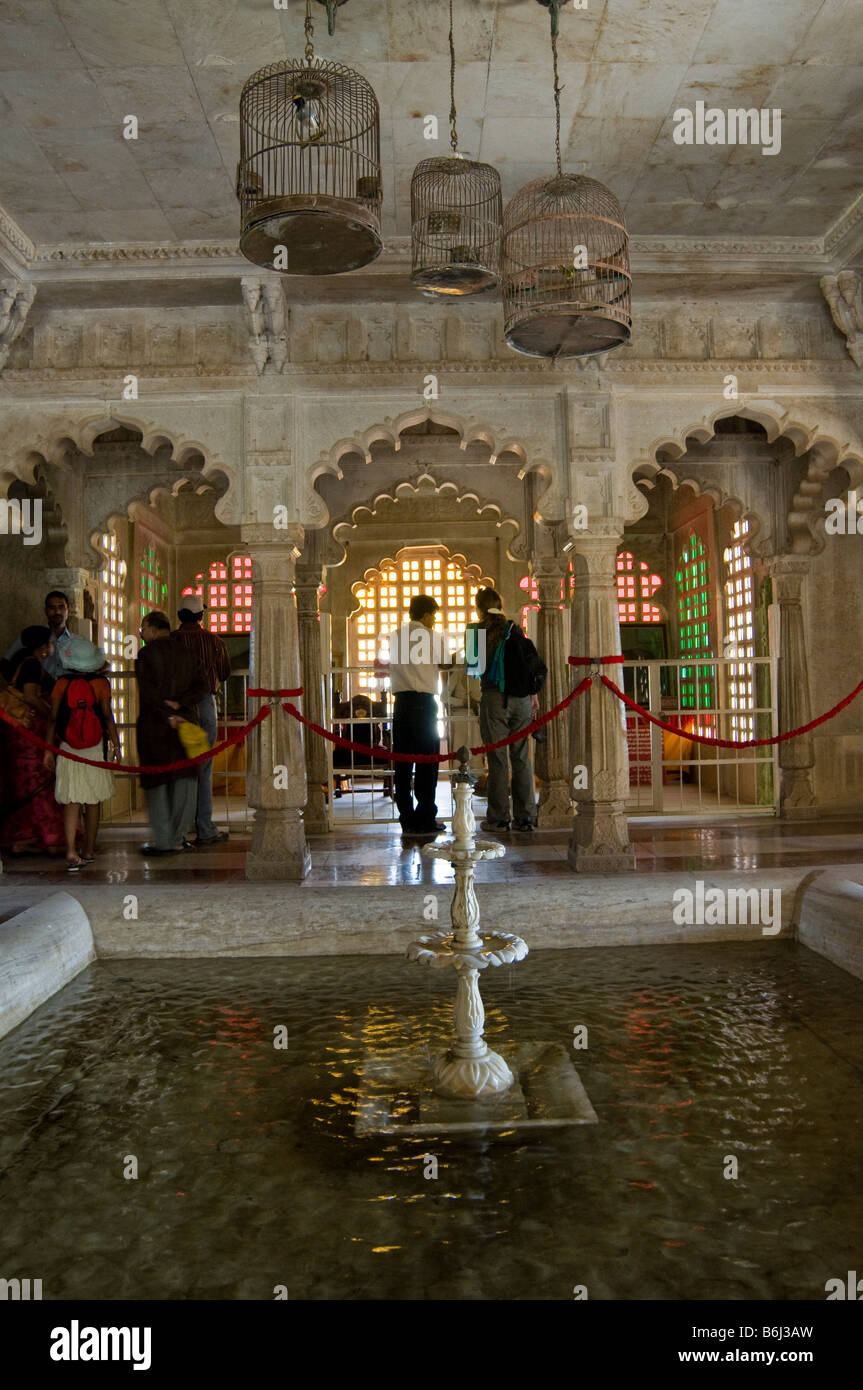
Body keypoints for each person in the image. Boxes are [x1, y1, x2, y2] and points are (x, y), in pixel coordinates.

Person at [468, 588, 543, 832]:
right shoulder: (515, 628)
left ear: (479, 607)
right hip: (521, 700)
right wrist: (533, 694)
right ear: (500, 605)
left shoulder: (476, 631)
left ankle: (499, 818)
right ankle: (526, 818)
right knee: (521, 758)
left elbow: (473, 669)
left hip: (493, 699)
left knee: (498, 760)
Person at [136, 611, 208, 857]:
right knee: (184, 782)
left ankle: (164, 840)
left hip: (156, 727)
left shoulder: (146, 655)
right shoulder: (187, 653)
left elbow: (148, 693)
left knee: (157, 786)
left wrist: (167, 714)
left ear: (153, 629)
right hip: (185, 725)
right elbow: (204, 686)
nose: (141, 633)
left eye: (143, 627)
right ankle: (178, 838)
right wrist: (181, 706)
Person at [44, 636, 119, 872]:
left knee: (71, 800)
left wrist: (48, 751)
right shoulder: (101, 684)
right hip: (95, 747)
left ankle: (70, 851)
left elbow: (53, 719)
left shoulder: (61, 683)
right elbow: (107, 717)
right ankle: (88, 850)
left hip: (67, 748)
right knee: (93, 800)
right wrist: (117, 744)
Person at [170, 595, 231, 846]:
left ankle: (179, 832)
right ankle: (205, 829)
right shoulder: (212, 641)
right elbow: (225, 672)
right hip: (204, 706)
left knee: (181, 770)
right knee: (203, 770)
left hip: (178, 710)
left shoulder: (170, 642)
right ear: (200, 616)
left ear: (179, 615)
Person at [0, 625, 66, 855]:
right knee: (37, 783)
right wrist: (51, 712)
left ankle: (22, 838)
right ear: (43, 646)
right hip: (28, 736)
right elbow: (31, 697)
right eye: (49, 643)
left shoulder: (20, 662)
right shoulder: (31, 665)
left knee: (21, 784)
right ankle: (41, 836)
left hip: (18, 734)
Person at [388, 594, 447, 836]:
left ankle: (407, 819)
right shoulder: (432, 636)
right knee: (426, 762)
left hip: (401, 704)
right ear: (425, 614)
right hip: (424, 702)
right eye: (433, 614)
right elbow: (444, 662)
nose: (434, 619)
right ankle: (425, 819)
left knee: (402, 763)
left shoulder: (395, 636)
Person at [4, 591, 74, 680]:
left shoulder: (75, 643)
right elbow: (5, 662)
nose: (57, 611)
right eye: (52, 607)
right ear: (45, 611)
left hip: (64, 692)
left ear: (68, 610)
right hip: (35, 692)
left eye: (61, 607)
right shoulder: (32, 635)